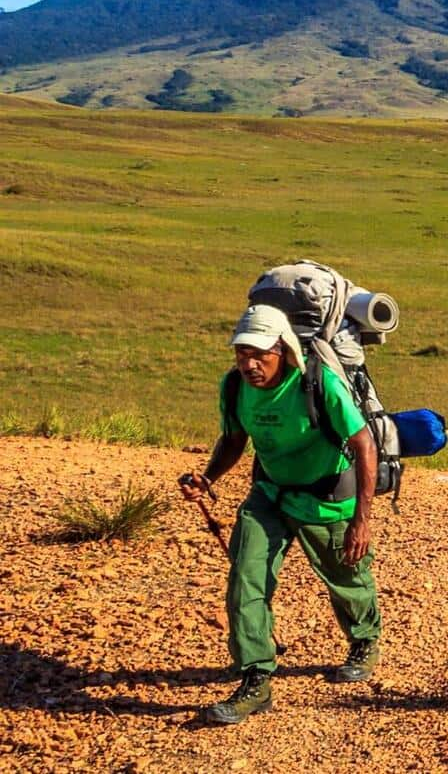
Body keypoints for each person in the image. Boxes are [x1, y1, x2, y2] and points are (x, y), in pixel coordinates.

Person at [178, 304, 383, 725]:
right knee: (244, 580)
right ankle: (256, 680)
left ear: (283, 350)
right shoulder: (235, 387)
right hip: (269, 494)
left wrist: (362, 519)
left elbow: (364, 445)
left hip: (326, 497)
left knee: (346, 575)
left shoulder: (316, 382)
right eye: (241, 354)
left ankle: (364, 640)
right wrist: (208, 478)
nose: (249, 364)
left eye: (260, 355)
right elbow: (234, 440)